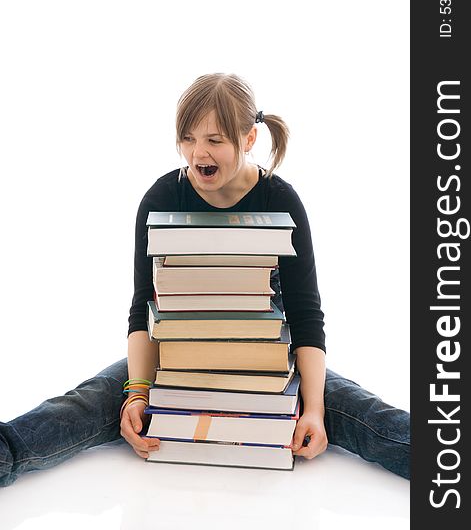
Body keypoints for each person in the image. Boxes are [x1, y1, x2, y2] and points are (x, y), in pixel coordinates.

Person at [0, 73, 410, 487]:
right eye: (188, 138)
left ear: (249, 139)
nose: (198, 152)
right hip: (175, 353)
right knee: (84, 403)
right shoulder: (161, 198)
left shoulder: (280, 200)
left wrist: (314, 410)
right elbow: (143, 305)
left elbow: (306, 315)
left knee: (365, 413)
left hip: (267, 358)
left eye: (214, 140)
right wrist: (139, 392)